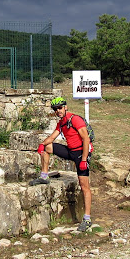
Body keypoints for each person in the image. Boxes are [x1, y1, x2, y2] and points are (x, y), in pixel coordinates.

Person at [29, 96, 93, 232]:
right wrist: (42, 144)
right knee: (47, 147)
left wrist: (83, 160)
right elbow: (52, 137)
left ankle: (87, 219)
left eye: (60, 108)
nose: (58, 111)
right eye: (55, 109)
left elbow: (86, 139)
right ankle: (44, 176)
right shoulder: (61, 123)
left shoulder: (74, 119)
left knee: (84, 186)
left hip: (81, 153)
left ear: (65, 107)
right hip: (70, 150)